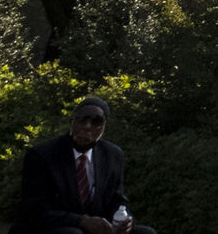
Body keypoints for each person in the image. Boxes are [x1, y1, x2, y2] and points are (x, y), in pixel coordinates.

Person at [13, 97, 155, 234]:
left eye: (96, 122)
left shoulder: (112, 155)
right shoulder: (42, 155)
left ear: (103, 127)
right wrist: (81, 221)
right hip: (52, 226)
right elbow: (33, 209)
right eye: (82, 119)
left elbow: (117, 200)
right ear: (72, 122)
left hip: (94, 227)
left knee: (146, 232)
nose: (87, 127)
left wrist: (124, 219)